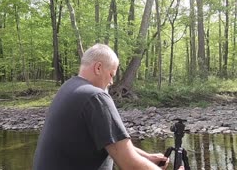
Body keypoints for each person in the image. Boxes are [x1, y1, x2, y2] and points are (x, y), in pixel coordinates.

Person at [33, 44, 184, 170]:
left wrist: (147, 157)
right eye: (112, 74)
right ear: (98, 68)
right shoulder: (95, 97)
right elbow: (129, 164)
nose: (112, 82)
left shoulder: (69, 88)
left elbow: (111, 142)